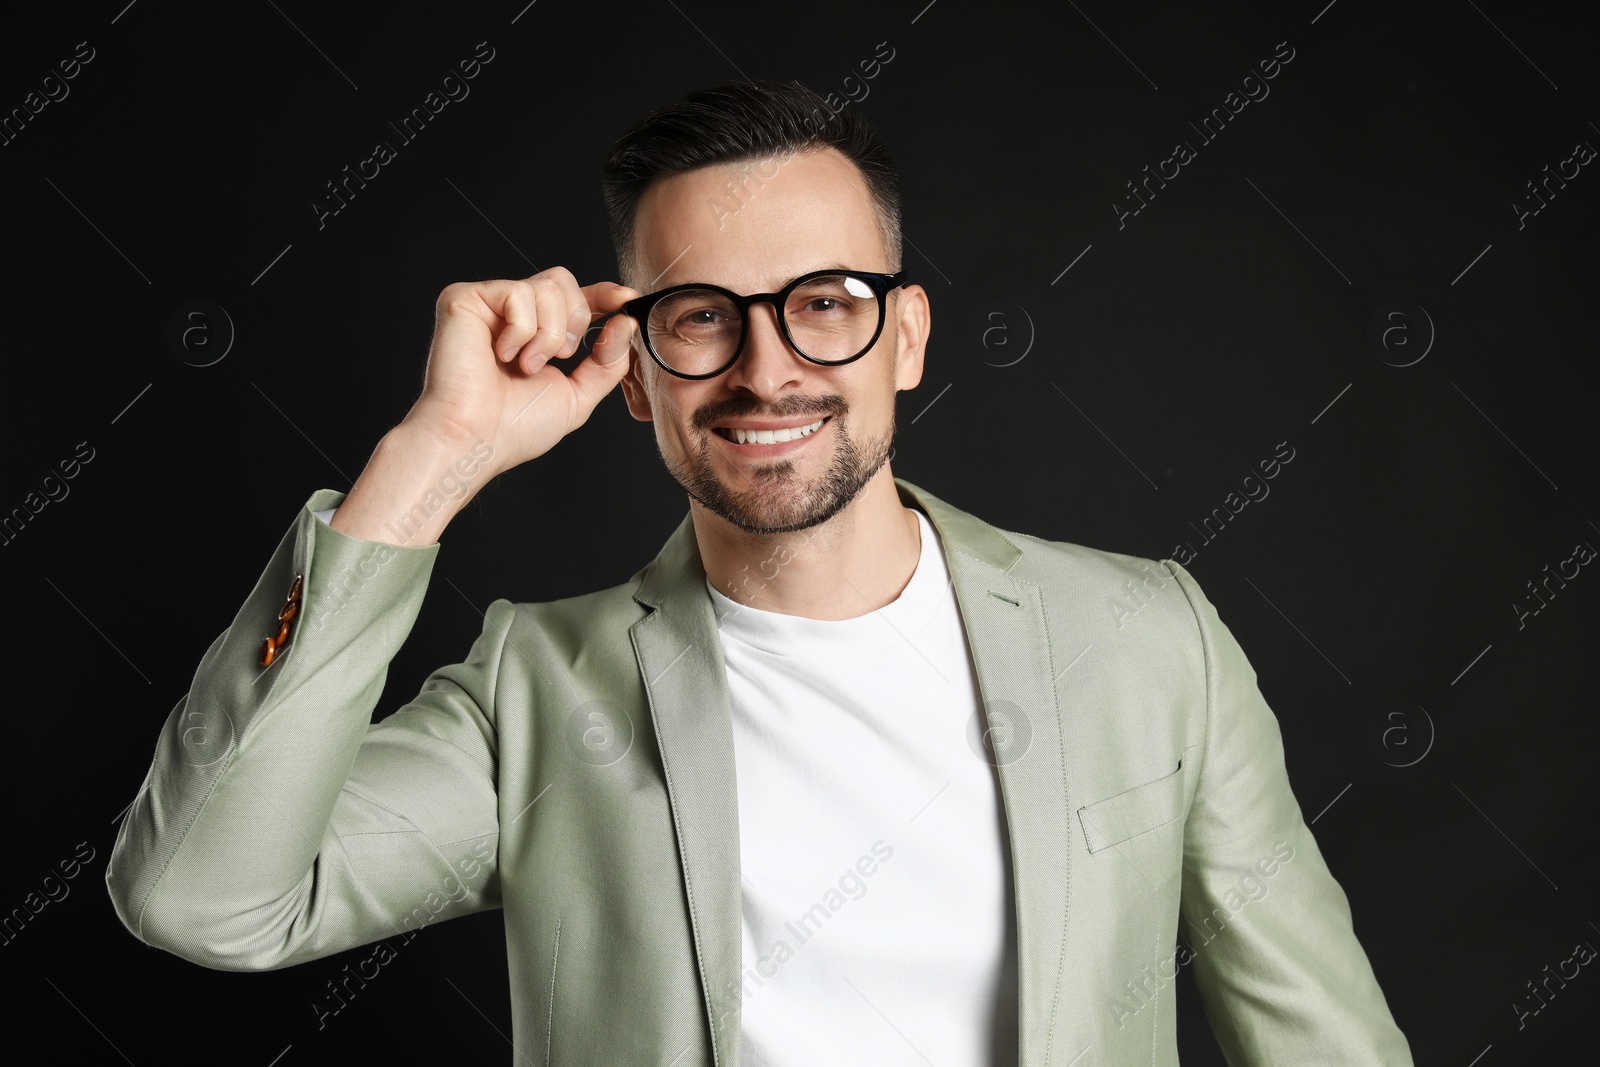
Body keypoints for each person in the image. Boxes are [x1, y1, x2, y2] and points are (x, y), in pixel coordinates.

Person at [106, 80, 1414, 1066]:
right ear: (635, 370)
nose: (766, 366)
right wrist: (431, 465)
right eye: (700, 315)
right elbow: (203, 899)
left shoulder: (1146, 640)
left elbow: (1325, 1045)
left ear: (905, 336)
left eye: (827, 300)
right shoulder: (541, 693)